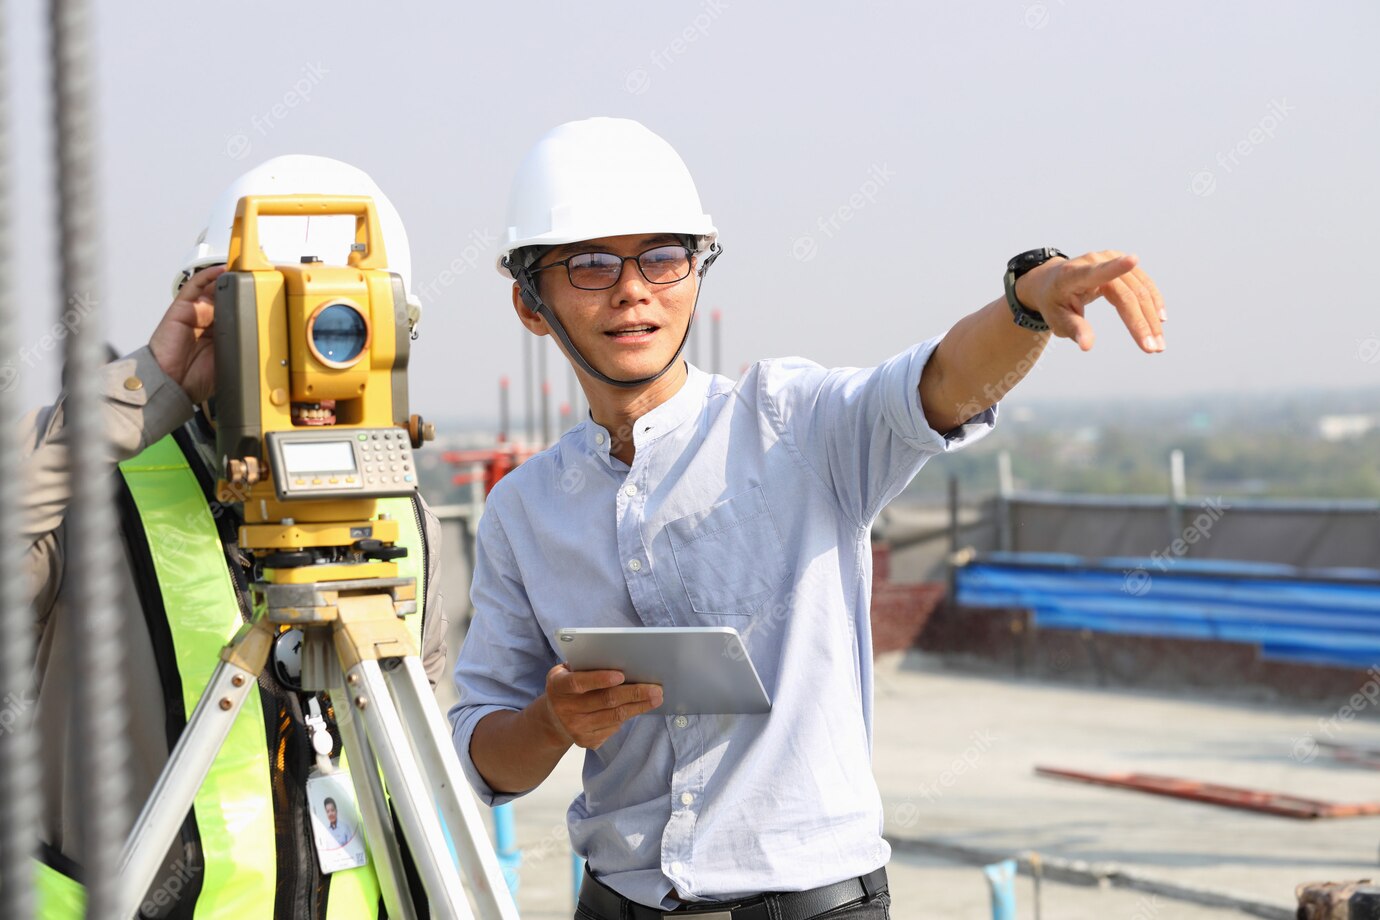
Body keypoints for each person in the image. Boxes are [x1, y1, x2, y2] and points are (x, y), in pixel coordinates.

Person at [449, 117, 1166, 918]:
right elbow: (483, 761)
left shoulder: (794, 423)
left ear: (696, 270)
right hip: (619, 901)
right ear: (529, 303)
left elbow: (939, 384)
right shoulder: (523, 509)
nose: (632, 288)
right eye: (587, 264)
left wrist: (1027, 303)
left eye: (663, 256)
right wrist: (551, 721)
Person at [24, 155, 447, 919]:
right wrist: (149, 383)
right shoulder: (95, 493)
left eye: (347, 331)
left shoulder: (406, 518)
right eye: (278, 328)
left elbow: (419, 768)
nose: (317, 367)